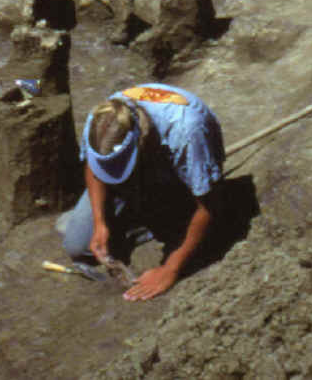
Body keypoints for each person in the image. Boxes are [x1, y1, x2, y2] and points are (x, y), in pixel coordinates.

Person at [58, 83, 225, 302]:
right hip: (142, 166)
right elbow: (93, 166)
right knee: (77, 244)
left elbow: (210, 205)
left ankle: (160, 217)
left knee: (188, 228)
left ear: (139, 140)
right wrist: (100, 222)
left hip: (174, 166)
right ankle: (138, 218)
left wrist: (170, 269)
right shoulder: (100, 119)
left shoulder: (187, 133)